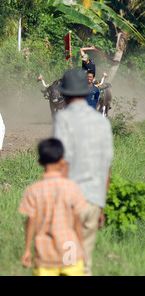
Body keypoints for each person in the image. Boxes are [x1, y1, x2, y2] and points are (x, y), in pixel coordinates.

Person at [53, 68, 114, 276]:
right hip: (94, 202)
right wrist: (102, 205)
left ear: (66, 94)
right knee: (84, 263)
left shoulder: (63, 119)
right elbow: (107, 167)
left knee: (69, 263)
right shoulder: (102, 122)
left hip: (72, 202)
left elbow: (62, 161)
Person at [19, 138, 87, 276]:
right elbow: (77, 221)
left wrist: (27, 249)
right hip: (70, 251)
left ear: (40, 162)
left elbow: (31, 221)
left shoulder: (33, 190)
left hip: (45, 253)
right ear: (62, 160)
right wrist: (82, 248)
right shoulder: (72, 188)